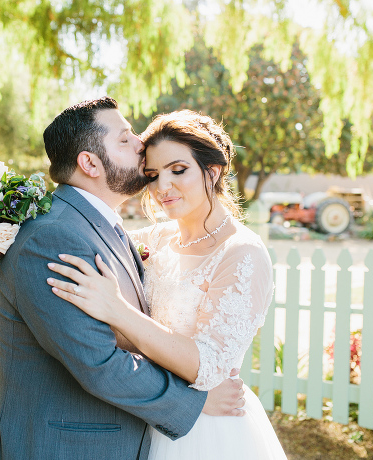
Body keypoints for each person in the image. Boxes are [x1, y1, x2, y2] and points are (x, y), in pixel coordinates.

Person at [0, 98, 246, 460]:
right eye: (124, 139)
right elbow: (99, 362)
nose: (141, 143)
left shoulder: (101, 227)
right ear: (89, 163)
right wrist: (194, 401)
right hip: (62, 446)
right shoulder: (53, 238)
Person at [46, 109, 287, 459]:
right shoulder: (154, 239)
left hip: (208, 428)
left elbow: (209, 367)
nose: (162, 187)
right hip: (145, 416)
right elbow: (84, 231)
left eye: (178, 170)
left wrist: (118, 310)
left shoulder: (243, 253)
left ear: (213, 170)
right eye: (153, 174)